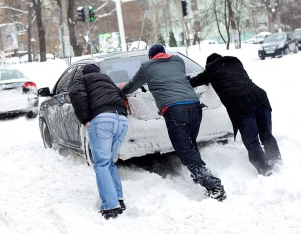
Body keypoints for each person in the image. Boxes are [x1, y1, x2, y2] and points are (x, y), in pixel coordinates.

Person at [119, 44, 226, 201]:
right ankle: (199, 174)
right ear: (164, 53)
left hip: (175, 110)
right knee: (190, 144)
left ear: (151, 57)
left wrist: (120, 91)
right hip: (195, 107)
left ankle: (211, 184)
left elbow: (131, 86)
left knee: (184, 150)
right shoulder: (178, 61)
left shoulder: (147, 66)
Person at [190, 53, 282, 176]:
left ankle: (264, 169)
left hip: (242, 103)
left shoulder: (211, 70)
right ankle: (275, 159)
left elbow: (193, 82)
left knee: (251, 140)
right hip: (260, 96)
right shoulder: (235, 62)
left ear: (209, 64)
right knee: (266, 134)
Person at [69, 64, 128, 219]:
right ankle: (118, 199)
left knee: (101, 163)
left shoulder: (81, 80)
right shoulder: (108, 80)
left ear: (84, 73)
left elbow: (76, 95)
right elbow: (121, 96)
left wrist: (85, 118)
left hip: (103, 120)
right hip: (121, 120)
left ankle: (110, 206)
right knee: (109, 161)